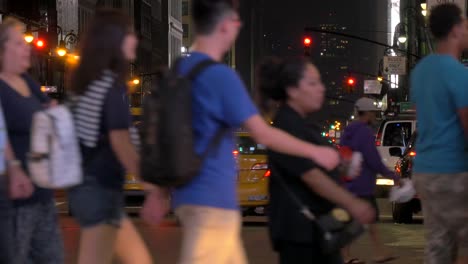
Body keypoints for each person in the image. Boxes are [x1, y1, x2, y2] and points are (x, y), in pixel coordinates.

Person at [141, 1, 342, 263]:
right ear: (224, 26)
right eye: (237, 23)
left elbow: (165, 135)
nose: (238, 27)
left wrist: (157, 193)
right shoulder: (221, 77)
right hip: (213, 203)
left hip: (187, 198)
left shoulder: (179, 70)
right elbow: (263, 133)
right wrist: (315, 151)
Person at [256, 56, 375, 264]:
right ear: (292, 90)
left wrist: (342, 167)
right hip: (300, 233)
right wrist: (353, 204)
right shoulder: (287, 126)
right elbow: (312, 177)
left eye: (319, 82)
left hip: (315, 231)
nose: (320, 88)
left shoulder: (302, 124)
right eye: (312, 83)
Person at [67, 9, 152, 264]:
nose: (135, 39)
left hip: (95, 189)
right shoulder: (109, 87)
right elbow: (121, 142)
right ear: (115, 40)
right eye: (129, 34)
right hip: (98, 190)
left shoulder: (90, 84)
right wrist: (152, 187)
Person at [0, 17, 63, 264]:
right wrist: (13, 167)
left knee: (52, 257)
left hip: (42, 190)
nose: (26, 47)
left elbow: (47, 109)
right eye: (18, 43)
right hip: (15, 194)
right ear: (3, 49)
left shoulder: (27, 81)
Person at [410, 3, 468, 264]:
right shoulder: (458, 73)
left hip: (425, 172)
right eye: (465, 24)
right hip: (452, 173)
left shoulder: (420, 72)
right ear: (456, 29)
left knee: (439, 245)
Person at [340, 97, 399, 264]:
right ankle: (344, 256)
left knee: (368, 219)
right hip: (362, 184)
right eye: (373, 112)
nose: (374, 116)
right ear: (365, 113)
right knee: (359, 220)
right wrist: (392, 176)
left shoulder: (348, 131)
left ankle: (380, 252)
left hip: (350, 182)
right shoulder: (364, 132)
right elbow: (373, 159)